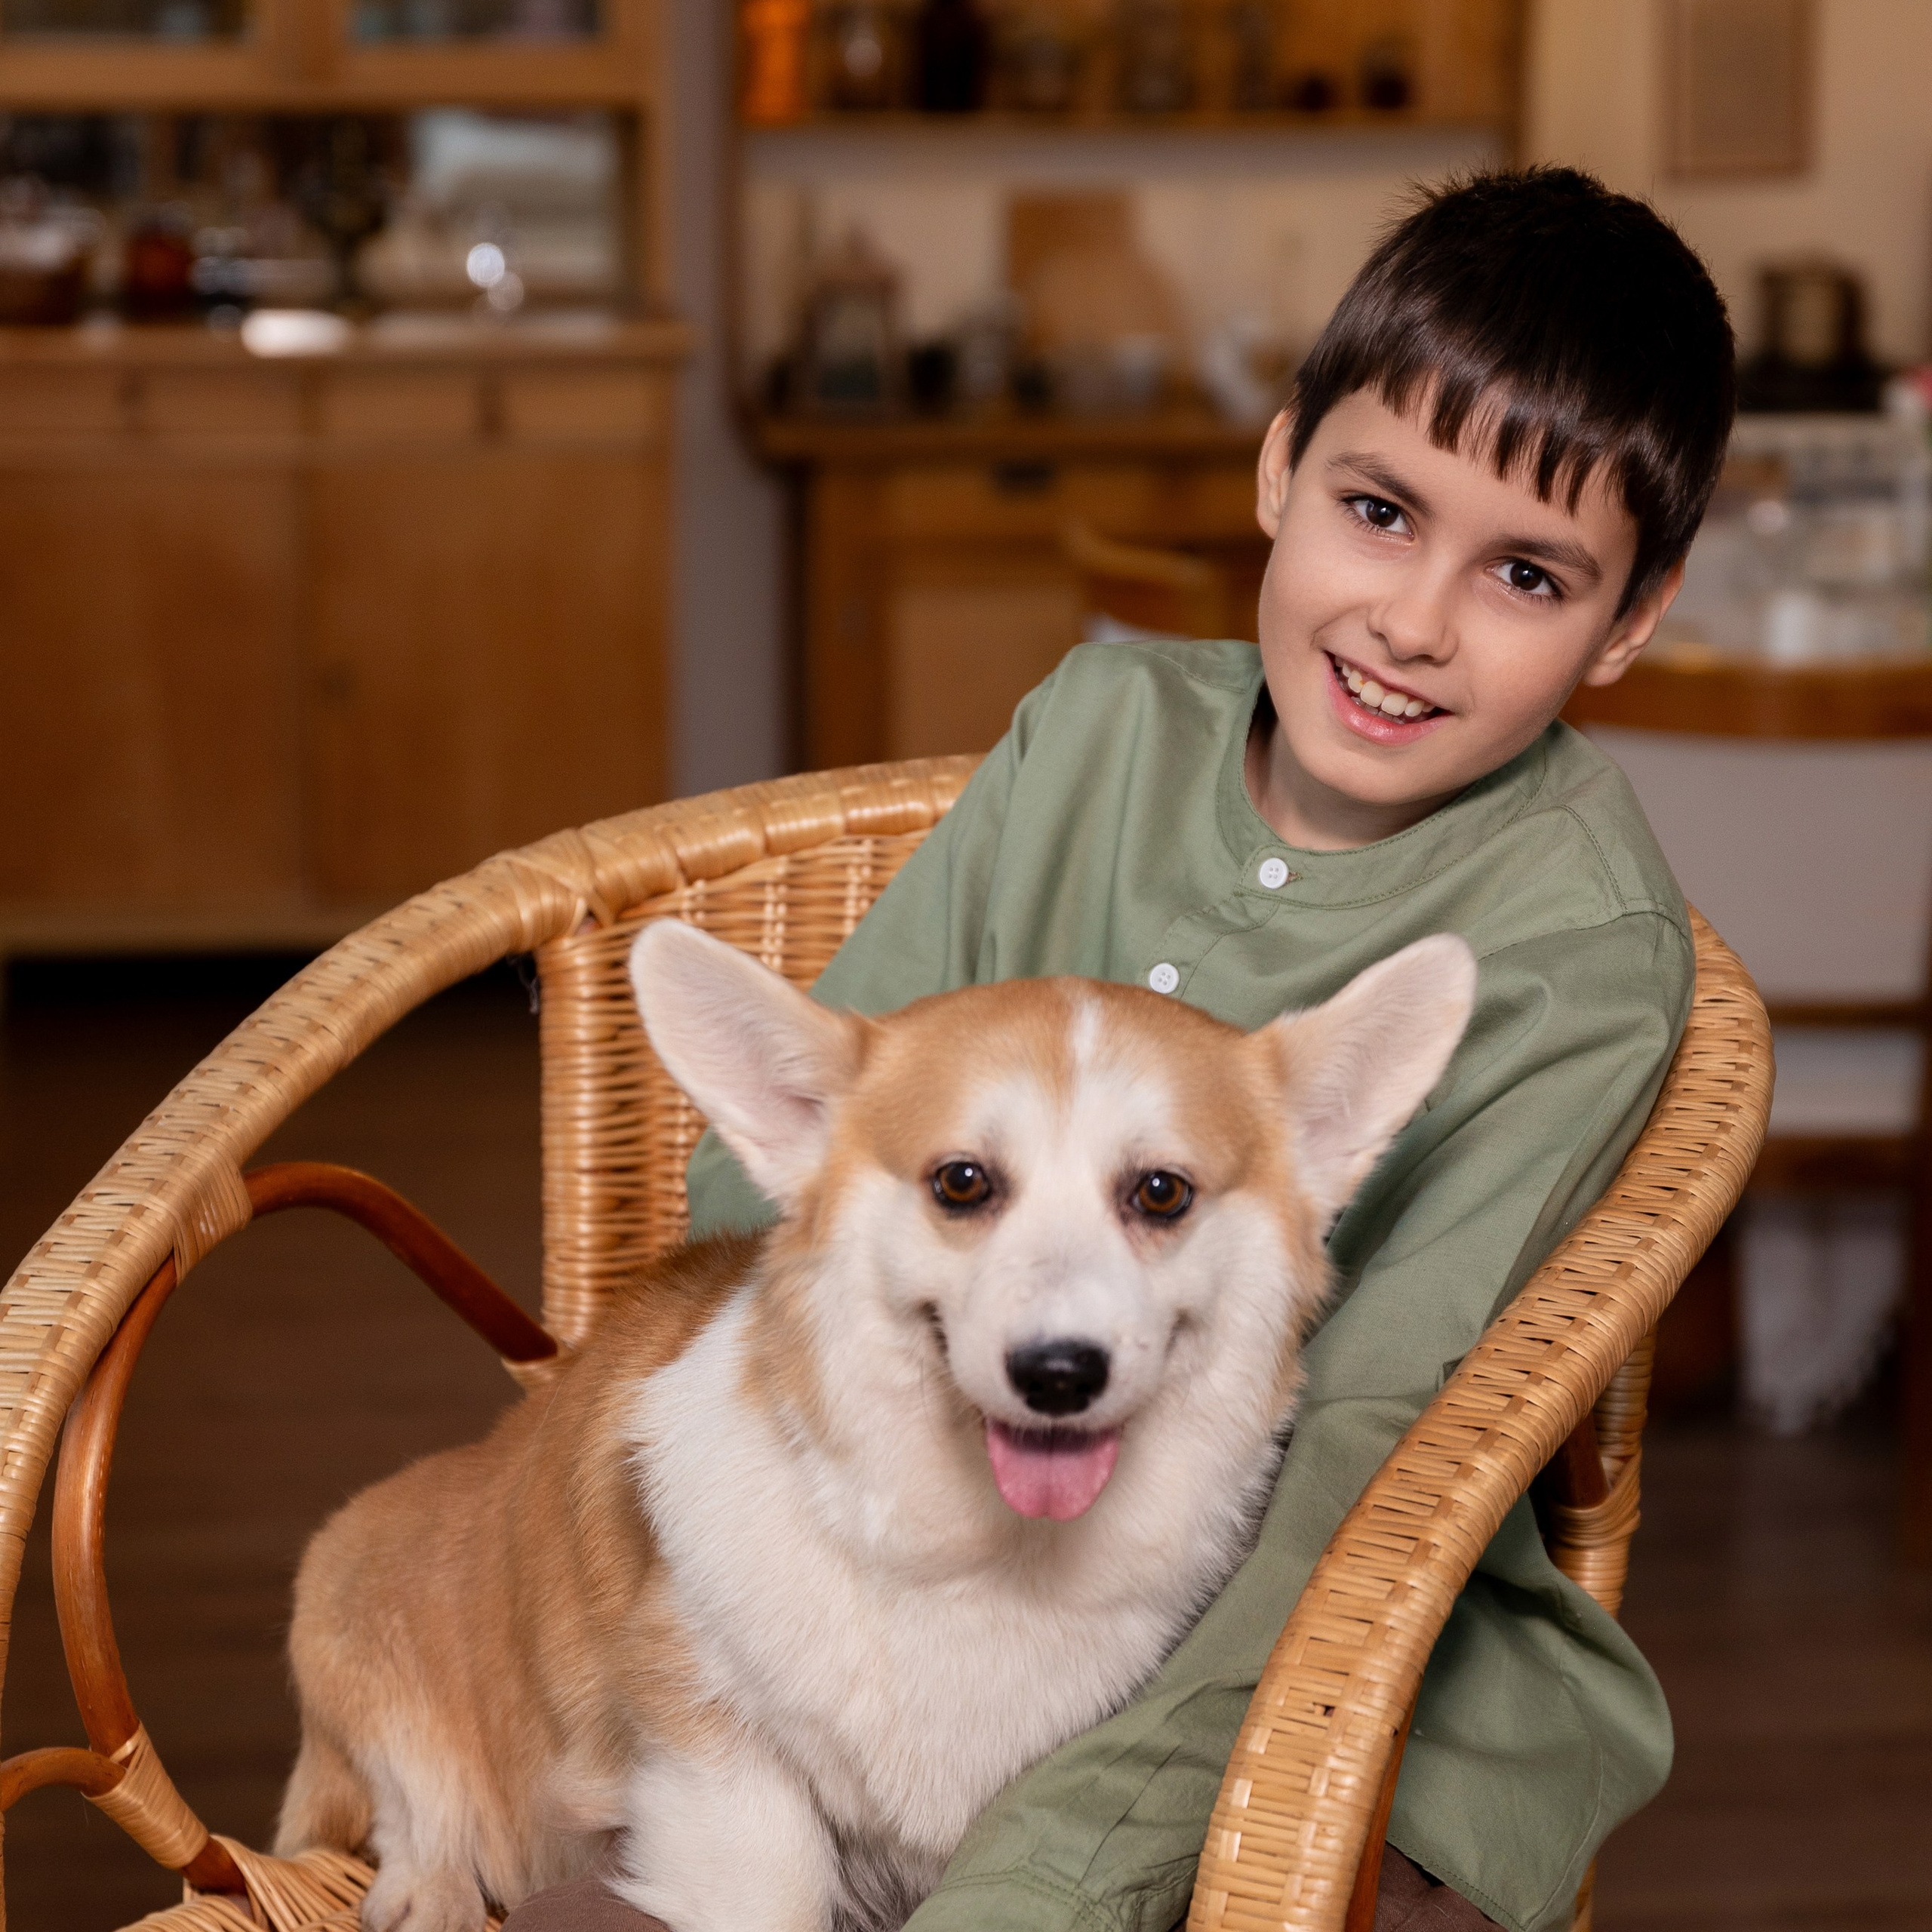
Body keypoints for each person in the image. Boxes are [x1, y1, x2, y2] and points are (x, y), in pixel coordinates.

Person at [505, 165, 1736, 1932]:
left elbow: (1362, 1458)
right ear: (1278, 467)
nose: (1412, 620)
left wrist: (1027, 1889)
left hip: (1339, 1682)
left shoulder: (1573, 944)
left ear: (1628, 619)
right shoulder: (1092, 723)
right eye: (1377, 510)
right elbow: (768, 1189)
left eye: (1525, 573)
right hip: (896, 1613)